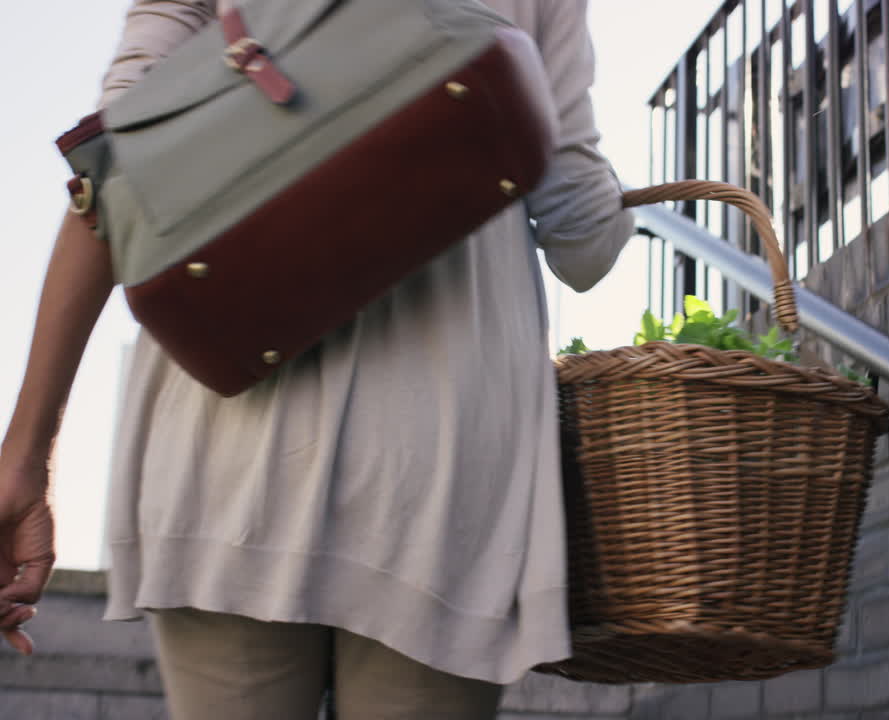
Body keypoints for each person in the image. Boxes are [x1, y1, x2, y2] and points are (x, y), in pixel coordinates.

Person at [0, 0, 634, 717]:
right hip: (441, 466)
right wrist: (619, 212)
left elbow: (113, 177)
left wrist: (28, 453)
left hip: (227, 450)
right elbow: (582, 239)